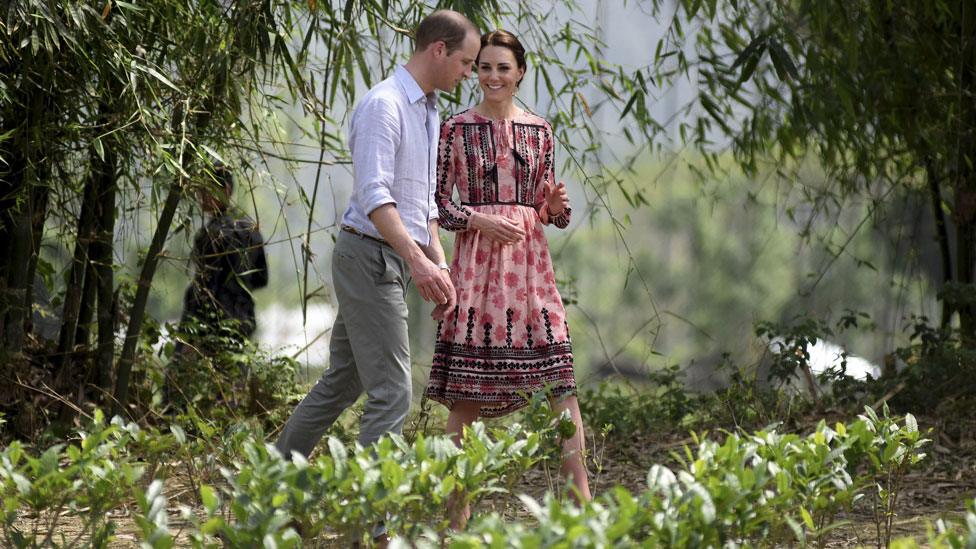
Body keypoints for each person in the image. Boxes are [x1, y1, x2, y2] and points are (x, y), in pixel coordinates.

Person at [275, 2, 478, 510]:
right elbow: (375, 196)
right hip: (368, 256)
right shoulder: (383, 105)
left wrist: (438, 261)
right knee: (393, 393)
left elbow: (424, 200)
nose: (469, 74)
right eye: (467, 63)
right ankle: (372, 521)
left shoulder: (429, 109)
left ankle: (270, 484)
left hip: (390, 256)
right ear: (439, 49)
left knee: (343, 382)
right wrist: (416, 261)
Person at [425, 29, 592, 526]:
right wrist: (477, 219)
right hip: (475, 271)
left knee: (561, 385)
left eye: (503, 68)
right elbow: (436, 204)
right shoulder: (454, 128)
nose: (493, 76)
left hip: (530, 274)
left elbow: (548, 213)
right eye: (484, 67)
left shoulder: (540, 132)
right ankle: (458, 521)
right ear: (474, 72)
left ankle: (581, 512)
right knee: (467, 396)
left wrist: (554, 209)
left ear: (520, 73)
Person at [169, 165, 268, 405]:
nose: (201, 197)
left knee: (179, 384)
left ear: (226, 189)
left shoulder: (210, 235)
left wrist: (192, 329)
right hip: (241, 319)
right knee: (230, 391)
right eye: (199, 191)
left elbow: (205, 287)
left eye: (207, 190)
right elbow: (261, 279)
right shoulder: (251, 230)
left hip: (206, 322)